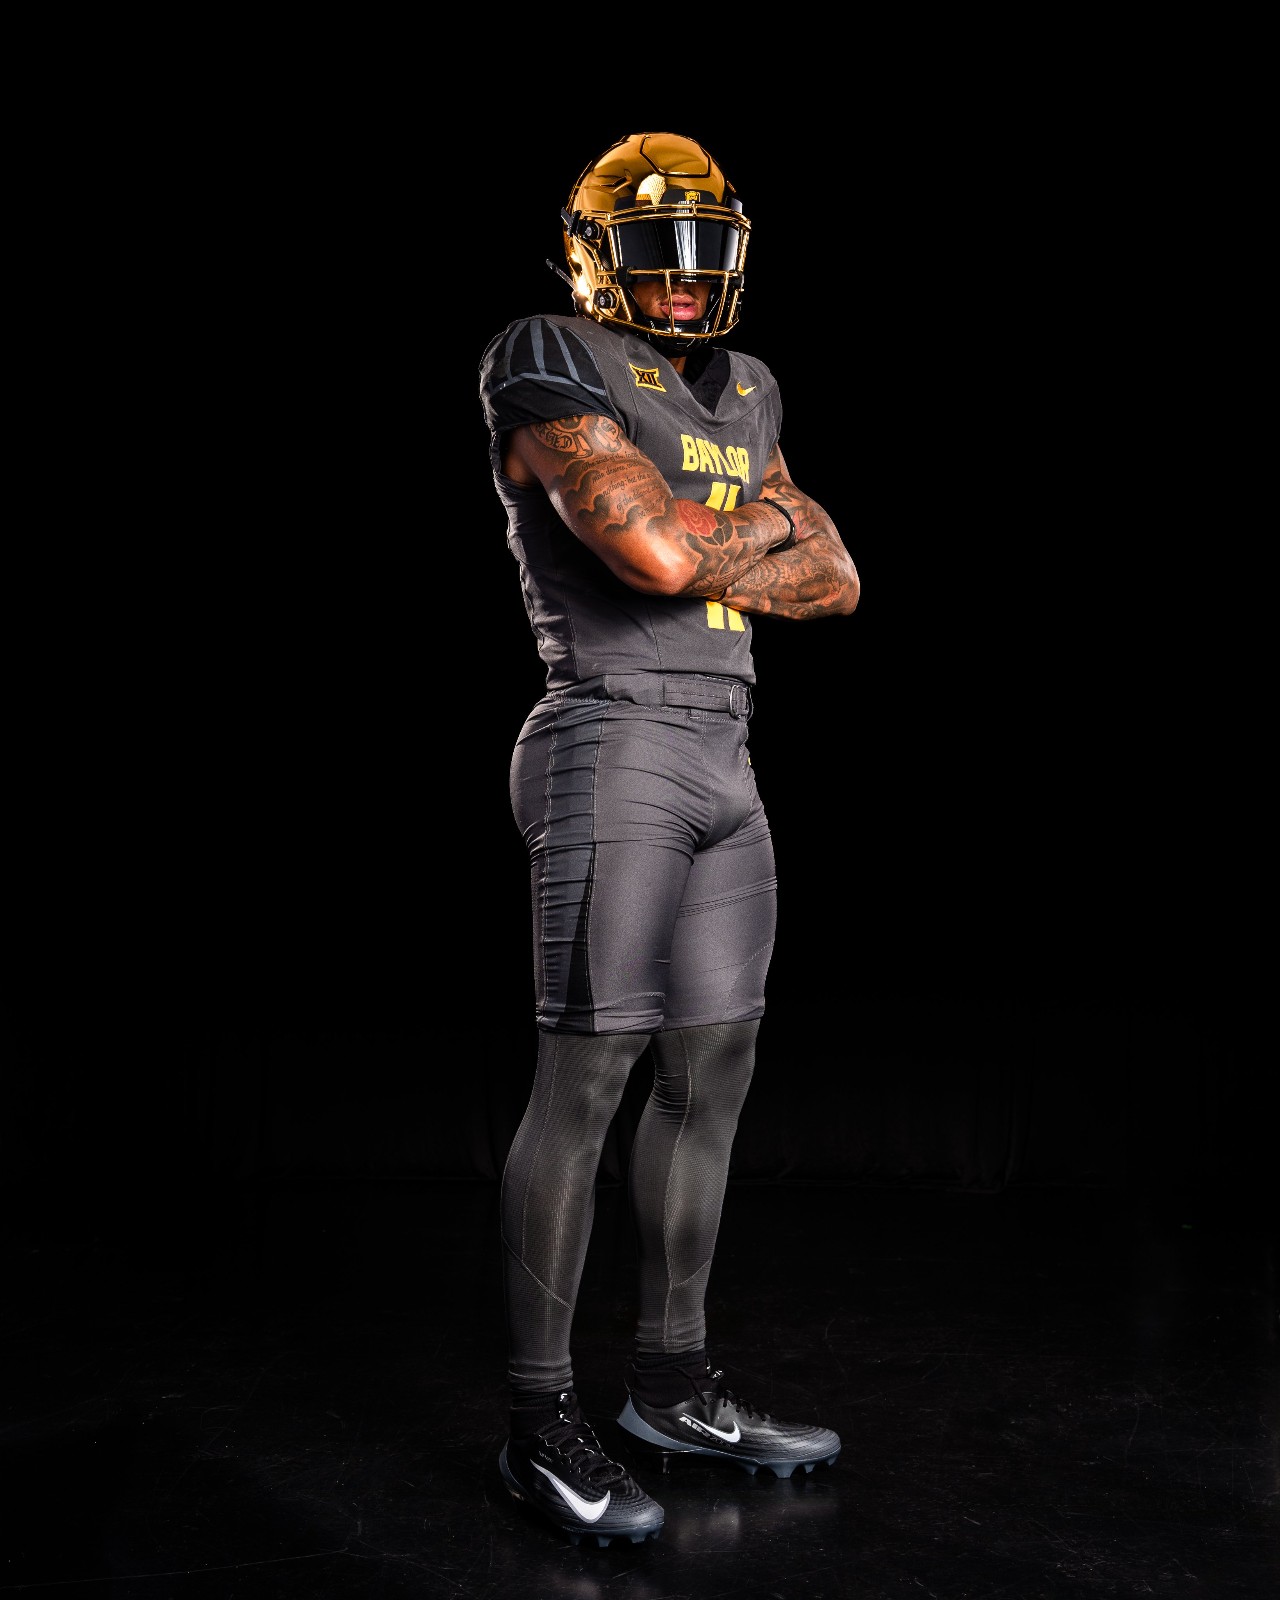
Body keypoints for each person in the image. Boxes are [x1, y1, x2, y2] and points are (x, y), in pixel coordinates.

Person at [477, 131, 860, 1547]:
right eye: (659, 254)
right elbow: (643, 556)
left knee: (715, 1072)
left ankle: (672, 1391)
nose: (689, 281)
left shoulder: (749, 386)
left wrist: (709, 534)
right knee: (588, 1080)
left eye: (708, 253)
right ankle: (538, 1426)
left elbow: (841, 576)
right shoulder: (547, 354)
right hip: (611, 736)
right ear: (599, 256)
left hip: (726, 751)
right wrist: (753, 531)